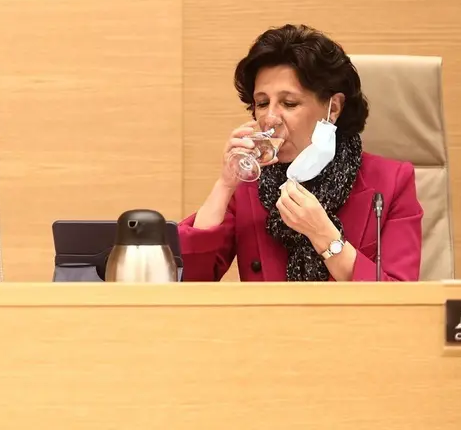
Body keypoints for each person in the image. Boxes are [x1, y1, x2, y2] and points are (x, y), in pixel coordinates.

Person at [180, 24, 423, 282]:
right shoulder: (249, 183)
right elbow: (192, 278)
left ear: (333, 109)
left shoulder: (392, 182)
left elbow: (399, 298)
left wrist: (324, 236)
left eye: (289, 103)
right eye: (262, 103)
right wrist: (225, 184)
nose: (270, 118)